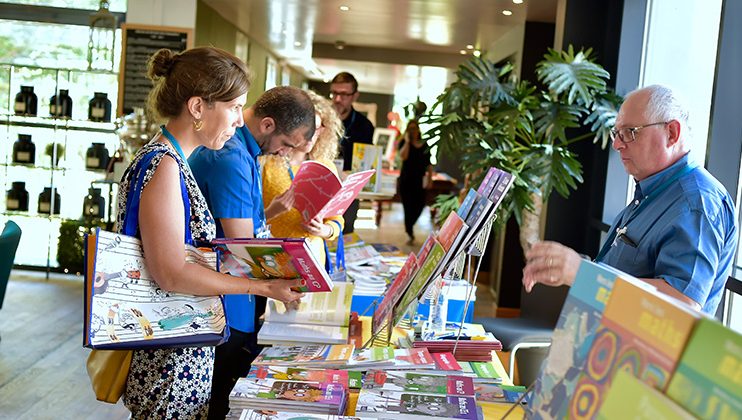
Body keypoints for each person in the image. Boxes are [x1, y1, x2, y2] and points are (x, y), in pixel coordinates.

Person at [117, 47, 304, 419]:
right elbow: (171, 272)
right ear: (198, 107)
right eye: (234, 107)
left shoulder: (169, 160)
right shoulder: (165, 166)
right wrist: (263, 287)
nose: (239, 120)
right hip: (170, 354)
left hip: (180, 343)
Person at [522, 84, 737, 315]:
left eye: (630, 132)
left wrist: (583, 273)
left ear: (672, 133)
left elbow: (682, 305)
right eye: (616, 133)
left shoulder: (697, 203)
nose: (616, 144)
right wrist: (572, 269)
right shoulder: (654, 191)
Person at [188, 85, 316, 420]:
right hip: (220, 305)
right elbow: (243, 249)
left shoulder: (243, 154)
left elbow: (245, 228)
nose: (283, 154)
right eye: (286, 144)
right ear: (268, 125)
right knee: (216, 403)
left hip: (228, 300)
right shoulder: (230, 157)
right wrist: (293, 275)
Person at [261, 90, 345, 265]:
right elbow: (249, 217)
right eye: (309, 128)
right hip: (274, 255)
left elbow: (337, 218)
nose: (312, 134)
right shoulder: (266, 162)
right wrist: (273, 211)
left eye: (318, 128)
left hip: (313, 257)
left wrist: (326, 230)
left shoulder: (326, 166)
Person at [329, 72, 375, 233]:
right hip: (320, 183)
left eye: (344, 94)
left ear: (355, 96)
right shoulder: (319, 118)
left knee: (345, 231)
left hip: (347, 189)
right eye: (334, 93)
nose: (337, 99)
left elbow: (366, 161)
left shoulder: (364, 126)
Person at [398, 119, 433, 245]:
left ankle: (410, 225)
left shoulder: (425, 144)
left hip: (419, 181)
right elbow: (403, 156)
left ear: (418, 129)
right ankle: (409, 230)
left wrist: (430, 178)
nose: (413, 131)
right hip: (406, 180)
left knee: (419, 205)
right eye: (410, 129)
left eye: (414, 128)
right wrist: (407, 142)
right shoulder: (403, 142)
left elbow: (429, 164)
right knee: (407, 207)